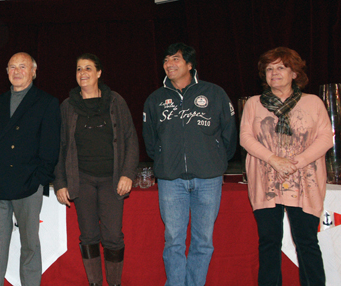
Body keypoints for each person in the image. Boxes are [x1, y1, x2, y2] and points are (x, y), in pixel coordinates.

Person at [142, 43, 237, 286]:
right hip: (170, 181)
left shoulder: (215, 93)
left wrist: (213, 160)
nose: (169, 64)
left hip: (209, 179)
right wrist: (166, 160)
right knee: (173, 239)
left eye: (175, 59)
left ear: (190, 65)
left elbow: (229, 137)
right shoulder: (155, 99)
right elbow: (151, 142)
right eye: (166, 60)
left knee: (203, 240)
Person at [240, 47, 332, 286]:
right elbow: (246, 138)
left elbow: (325, 138)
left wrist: (297, 162)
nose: (274, 73)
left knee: (307, 242)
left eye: (281, 67)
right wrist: (274, 159)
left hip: (304, 182)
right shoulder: (253, 103)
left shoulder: (313, 103)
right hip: (266, 181)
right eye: (269, 69)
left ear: (294, 73)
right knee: (269, 243)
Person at [53, 53, 139, 286]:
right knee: (88, 235)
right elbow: (59, 147)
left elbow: (131, 139)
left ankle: (114, 284)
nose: (83, 73)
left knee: (113, 236)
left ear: (99, 73)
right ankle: (94, 283)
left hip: (113, 179)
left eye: (88, 68)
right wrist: (60, 183)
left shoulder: (115, 101)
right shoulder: (67, 106)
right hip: (82, 179)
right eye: (79, 69)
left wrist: (127, 174)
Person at [0, 52, 61, 286]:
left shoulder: (47, 102)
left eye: (22, 66)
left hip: (28, 184)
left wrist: (39, 180)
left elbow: (51, 147)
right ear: (6, 72)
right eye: (12, 67)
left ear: (34, 71)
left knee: (30, 245)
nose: (17, 71)